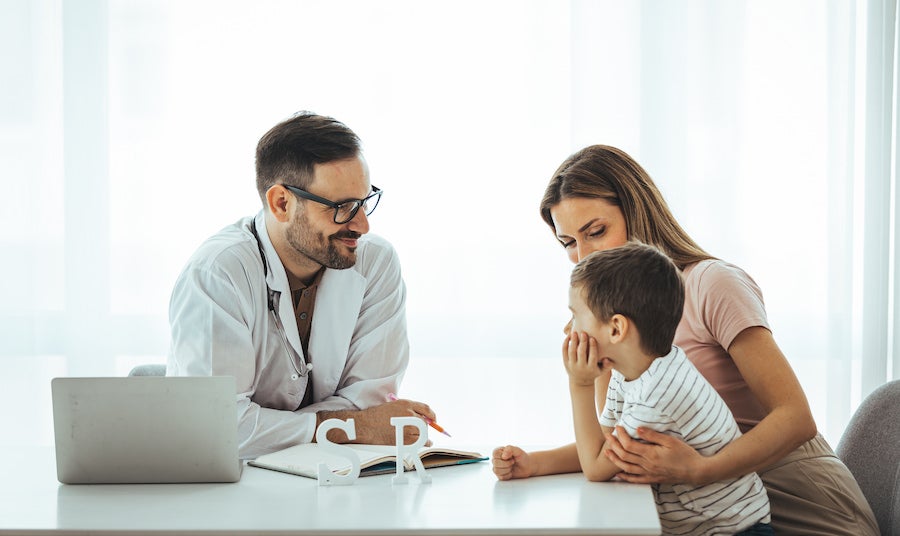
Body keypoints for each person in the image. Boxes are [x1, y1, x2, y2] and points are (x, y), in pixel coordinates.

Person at [492, 145, 879, 535]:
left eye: (595, 232)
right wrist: (536, 461)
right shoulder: (618, 322)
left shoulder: (711, 284)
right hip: (716, 511)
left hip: (797, 501)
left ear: (636, 210)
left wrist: (700, 470)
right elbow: (622, 447)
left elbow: (796, 419)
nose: (583, 256)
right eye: (569, 243)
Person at [168, 111, 434, 460]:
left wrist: (268, 427)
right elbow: (215, 430)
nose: (362, 226)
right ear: (282, 203)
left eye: (365, 201)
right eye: (342, 207)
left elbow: (369, 399)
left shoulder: (376, 262)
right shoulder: (218, 273)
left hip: (336, 476)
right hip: (232, 490)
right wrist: (355, 426)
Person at [565, 242, 772, 535]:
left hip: (735, 531)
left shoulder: (658, 394)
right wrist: (532, 465)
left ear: (616, 329)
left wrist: (580, 384)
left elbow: (597, 468)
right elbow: (605, 443)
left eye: (576, 316)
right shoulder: (635, 371)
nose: (570, 330)